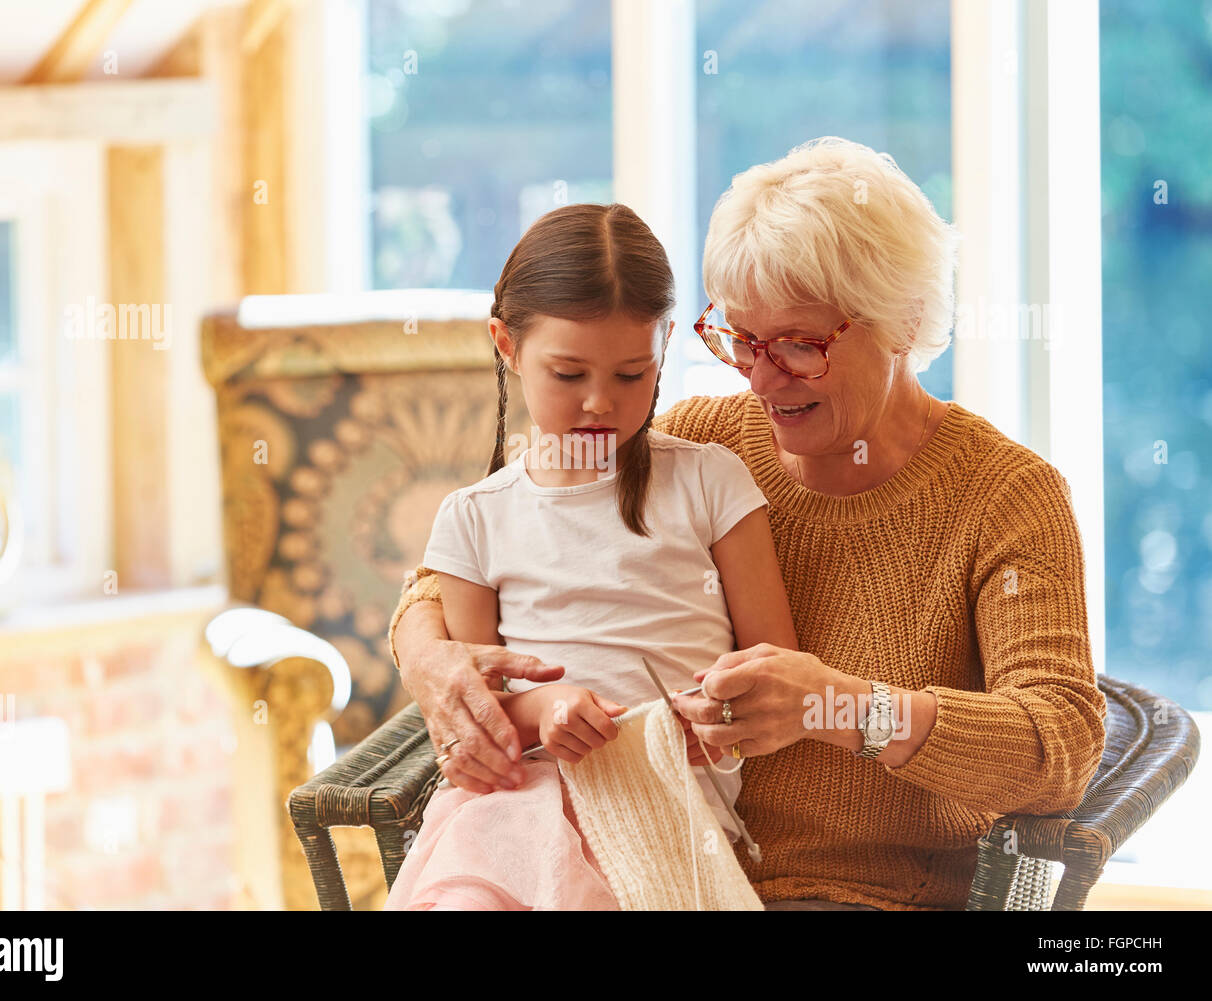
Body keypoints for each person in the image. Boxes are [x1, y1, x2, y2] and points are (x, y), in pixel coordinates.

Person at [387, 137, 1109, 911]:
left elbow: (1058, 743)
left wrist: (843, 707)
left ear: (904, 320)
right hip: (647, 860)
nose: (761, 379)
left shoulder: (1005, 496)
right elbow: (485, 555)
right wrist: (428, 657)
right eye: (741, 339)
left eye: (798, 345)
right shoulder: (709, 440)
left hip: (860, 895)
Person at [382, 202, 801, 910]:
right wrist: (544, 707)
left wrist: (717, 717)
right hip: (517, 806)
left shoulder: (710, 481)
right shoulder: (472, 519)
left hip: (665, 815)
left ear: (665, 344)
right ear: (506, 346)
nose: (600, 402)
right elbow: (475, 707)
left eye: (633, 374)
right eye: (569, 375)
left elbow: (774, 671)